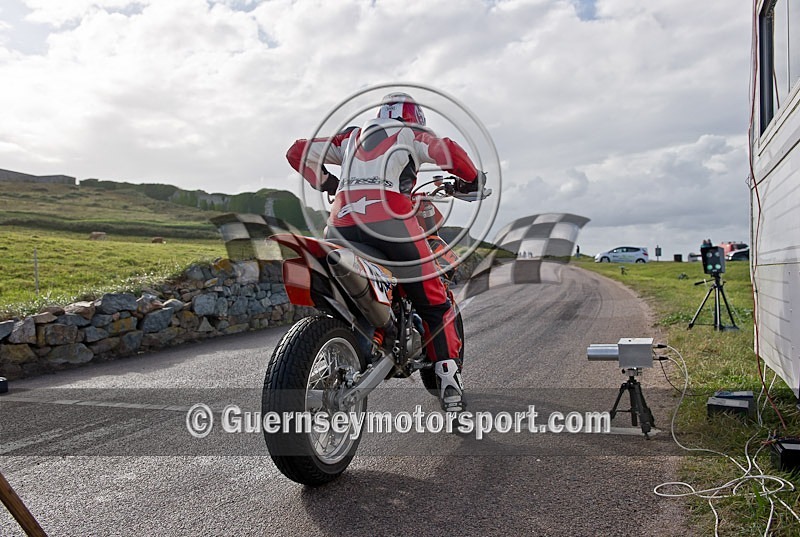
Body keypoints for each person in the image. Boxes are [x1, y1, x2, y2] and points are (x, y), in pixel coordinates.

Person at [286, 92, 485, 412]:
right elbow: (447, 149)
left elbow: (298, 151)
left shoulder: (352, 137)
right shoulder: (412, 134)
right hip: (391, 225)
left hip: (340, 226)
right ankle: (449, 382)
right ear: (415, 118)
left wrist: (327, 182)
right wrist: (473, 181)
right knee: (435, 300)